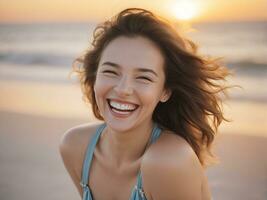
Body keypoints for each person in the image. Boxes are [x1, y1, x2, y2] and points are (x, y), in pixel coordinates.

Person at [59, 8, 230, 200]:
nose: (124, 89)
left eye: (144, 77)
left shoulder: (169, 162)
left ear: (165, 91)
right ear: (94, 76)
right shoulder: (76, 147)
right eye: (110, 72)